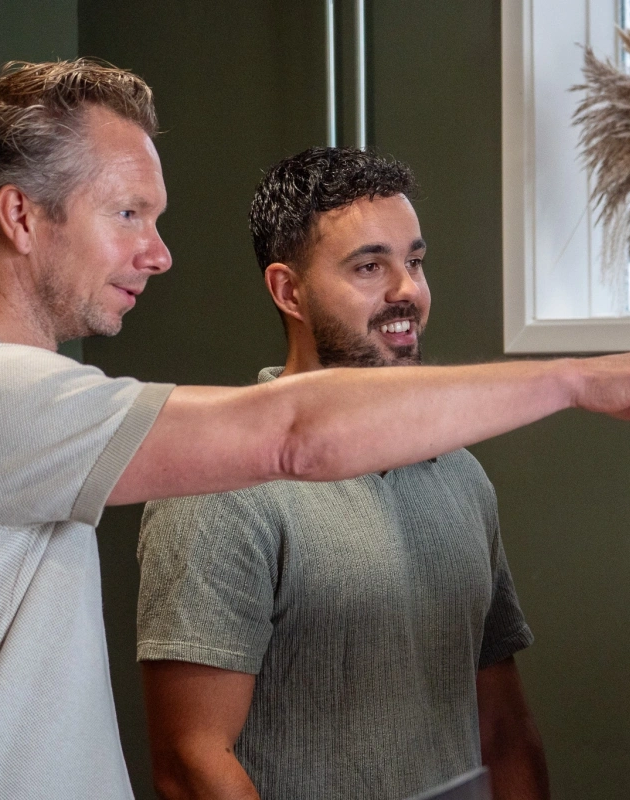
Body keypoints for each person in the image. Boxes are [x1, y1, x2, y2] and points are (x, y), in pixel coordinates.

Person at [0, 59, 630, 799]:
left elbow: (500, 723)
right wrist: (576, 377)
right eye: (128, 213)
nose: (159, 252)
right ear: (21, 216)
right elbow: (291, 435)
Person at [135, 147, 548, 800]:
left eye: (414, 262)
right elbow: (192, 762)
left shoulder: (461, 476)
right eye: (369, 266)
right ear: (288, 291)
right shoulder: (220, 485)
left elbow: (502, 730)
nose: (407, 290)